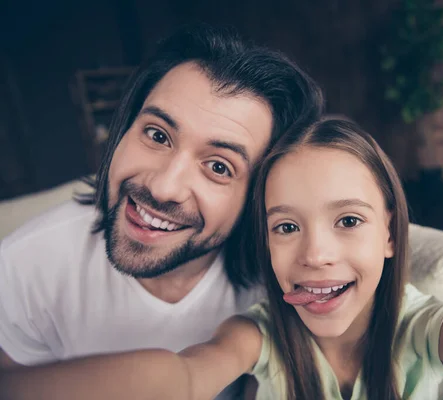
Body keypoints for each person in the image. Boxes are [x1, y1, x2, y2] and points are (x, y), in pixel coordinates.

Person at [1, 116, 443, 400]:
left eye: (348, 221)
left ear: (391, 234)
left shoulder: (424, 330)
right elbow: (181, 377)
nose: (315, 253)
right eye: (286, 226)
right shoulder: (254, 334)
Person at [0, 22, 324, 398]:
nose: (163, 186)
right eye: (157, 135)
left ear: (260, 195)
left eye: (219, 166)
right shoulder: (25, 265)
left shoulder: (282, 283)